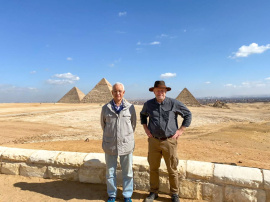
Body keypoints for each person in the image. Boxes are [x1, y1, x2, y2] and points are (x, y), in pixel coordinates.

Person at [140, 81, 192, 202]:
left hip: (169, 141)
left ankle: (174, 193)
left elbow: (188, 114)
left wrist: (180, 131)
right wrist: (146, 129)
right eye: (157, 90)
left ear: (166, 91)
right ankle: (153, 192)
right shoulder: (148, 104)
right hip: (153, 141)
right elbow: (143, 116)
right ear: (154, 91)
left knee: (172, 169)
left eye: (162, 90)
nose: (160, 92)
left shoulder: (174, 103)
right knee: (153, 168)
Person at [101, 82, 137, 202]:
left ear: (123, 93)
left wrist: (124, 136)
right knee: (110, 172)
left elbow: (133, 125)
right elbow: (104, 125)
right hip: (110, 144)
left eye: (120, 91)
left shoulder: (130, 108)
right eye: (115, 91)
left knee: (128, 172)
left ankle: (127, 195)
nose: (117, 93)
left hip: (126, 145)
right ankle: (112, 195)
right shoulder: (105, 108)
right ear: (112, 92)